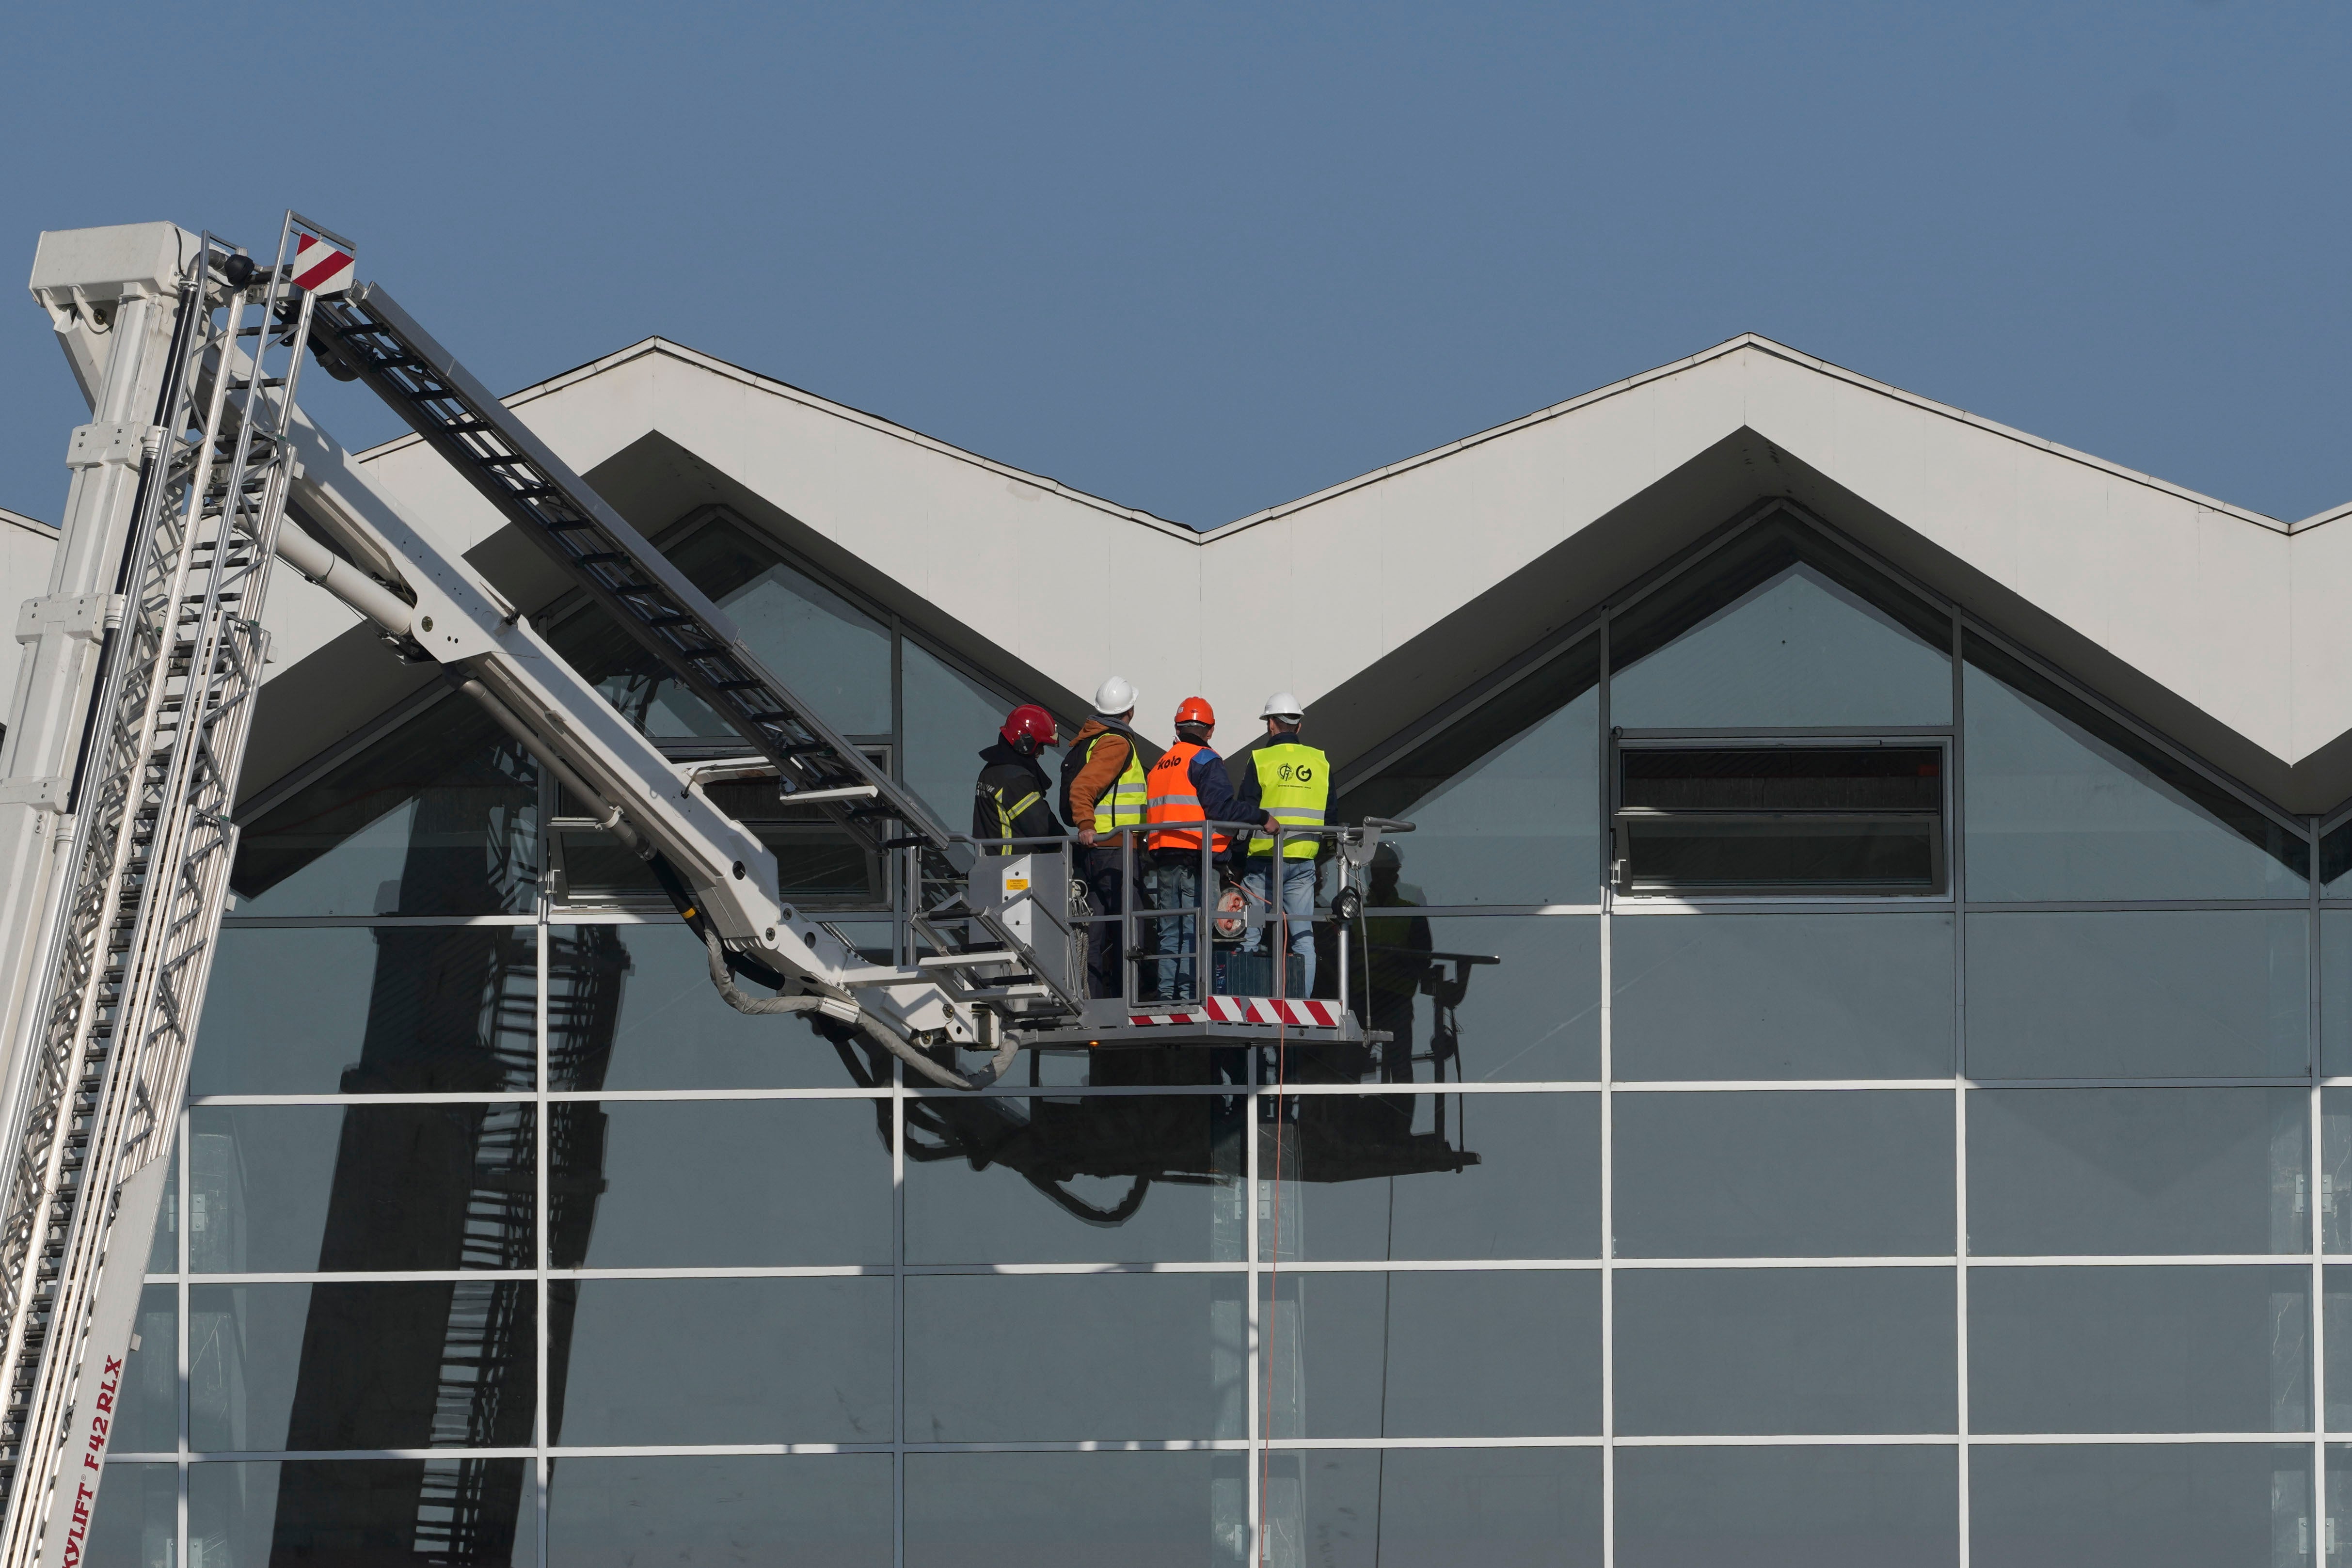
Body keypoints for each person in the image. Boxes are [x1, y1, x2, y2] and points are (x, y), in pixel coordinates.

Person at [1142, 697, 1276, 1001]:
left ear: (1177, 727)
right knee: (1195, 931)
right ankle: (1191, 996)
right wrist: (1262, 818)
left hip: (1165, 860)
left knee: (1169, 932)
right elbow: (1221, 809)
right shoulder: (1205, 760)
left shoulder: (1160, 765)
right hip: (1197, 860)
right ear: (1210, 730)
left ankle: (1166, 995)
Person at [1060, 676, 1149, 998]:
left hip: (1102, 849)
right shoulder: (1117, 743)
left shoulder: (1095, 739)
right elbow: (1083, 787)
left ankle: (1093, 994)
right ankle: (1131, 998)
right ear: (1131, 710)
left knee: (1095, 928)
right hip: (1116, 849)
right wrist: (1086, 823)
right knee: (1130, 926)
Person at [1234, 692, 1327, 996]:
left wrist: (1234, 860)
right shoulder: (1319, 761)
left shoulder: (1260, 759)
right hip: (1302, 863)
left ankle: (1246, 1003)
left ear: (1271, 725)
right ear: (1298, 726)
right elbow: (1333, 814)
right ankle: (1302, 1003)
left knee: (1251, 934)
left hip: (1263, 862)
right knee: (1303, 939)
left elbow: (1246, 813)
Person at [1361, 842, 1433, 1082]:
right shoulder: (1356, 912)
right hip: (1364, 999)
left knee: (1399, 1066)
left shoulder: (1410, 909)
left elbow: (1424, 957)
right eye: (1375, 870)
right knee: (1352, 1066)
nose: (1378, 876)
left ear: (1395, 874)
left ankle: (1398, 1117)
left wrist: (1399, 966)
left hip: (1395, 998)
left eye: (1384, 870)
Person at [972, 703, 1063, 851]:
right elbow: (1043, 829)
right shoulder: (1015, 779)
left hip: (993, 866)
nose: (1042, 752)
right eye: (1041, 745)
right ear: (1026, 743)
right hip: (1016, 868)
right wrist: (1074, 850)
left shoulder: (991, 771)